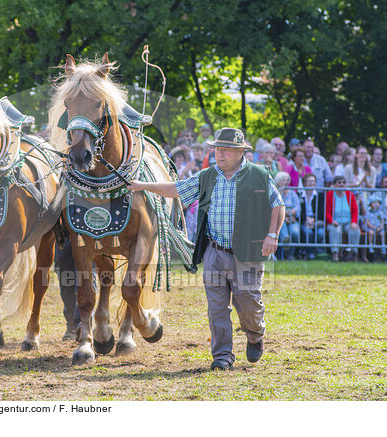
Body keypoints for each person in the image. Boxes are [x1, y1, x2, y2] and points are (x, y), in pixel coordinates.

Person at [128, 127, 285, 371]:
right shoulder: (208, 176)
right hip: (214, 251)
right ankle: (222, 356)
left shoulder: (258, 175)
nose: (219, 155)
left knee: (248, 303)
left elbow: (277, 204)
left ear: (240, 152)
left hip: (248, 252)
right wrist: (143, 186)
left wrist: (272, 235)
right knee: (217, 307)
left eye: (226, 150)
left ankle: (255, 335)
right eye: (217, 150)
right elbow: (176, 189)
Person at [326, 176, 361, 262]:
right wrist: (332, 221)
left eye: (343, 183)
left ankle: (353, 253)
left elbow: (355, 211)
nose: (341, 184)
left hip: (347, 222)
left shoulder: (349, 194)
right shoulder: (330, 194)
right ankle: (335, 253)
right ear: (334, 185)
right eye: (339, 182)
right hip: (335, 222)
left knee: (355, 230)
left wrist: (354, 222)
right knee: (335, 230)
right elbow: (327, 212)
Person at [299, 173, 326, 260]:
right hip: (304, 220)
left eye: (313, 181)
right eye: (309, 181)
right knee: (308, 232)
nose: (311, 183)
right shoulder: (300, 195)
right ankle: (309, 253)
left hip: (316, 221)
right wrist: (306, 219)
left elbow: (321, 212)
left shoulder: (320, 196)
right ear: (304, 183)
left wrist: (313, 221)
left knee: (320, 233)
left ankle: (317, 252)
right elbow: (300, 212)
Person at [275, 171, 300, 259]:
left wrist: (290, 214)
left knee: (295, 233)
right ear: (278, 182)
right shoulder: (275, 193)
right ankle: (285, 251)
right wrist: (284, 217)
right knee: (282, 226)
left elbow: (297, 207)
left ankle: (290, 254)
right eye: (284, 180)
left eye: (288, 180)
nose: (287, 182)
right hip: (279, 220)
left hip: (292, 218)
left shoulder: (293, 193)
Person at [364, 195, 386, 262]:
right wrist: (372, 227)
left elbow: (382, 221)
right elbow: (367, 222)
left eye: (377, 203)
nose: (376, 204)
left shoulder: (380, 213)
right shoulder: (368, 213)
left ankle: (383, 246)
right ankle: (370, 245)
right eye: (374, 203)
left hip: (379, 228)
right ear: (370, 204)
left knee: (383, 233)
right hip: (371, 228)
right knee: (371, 233)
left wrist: (380, 228)